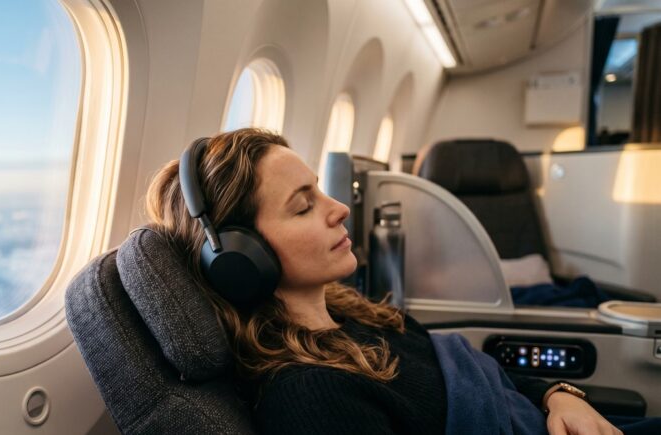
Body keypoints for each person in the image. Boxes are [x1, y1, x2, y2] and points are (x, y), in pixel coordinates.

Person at [144, 128, 626, 434]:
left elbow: (465, 369)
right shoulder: (313, 396)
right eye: (303, 205)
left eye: (321, 192)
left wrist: (557, 394)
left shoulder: (353, 313)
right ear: (241, 258)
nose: (340, 210)